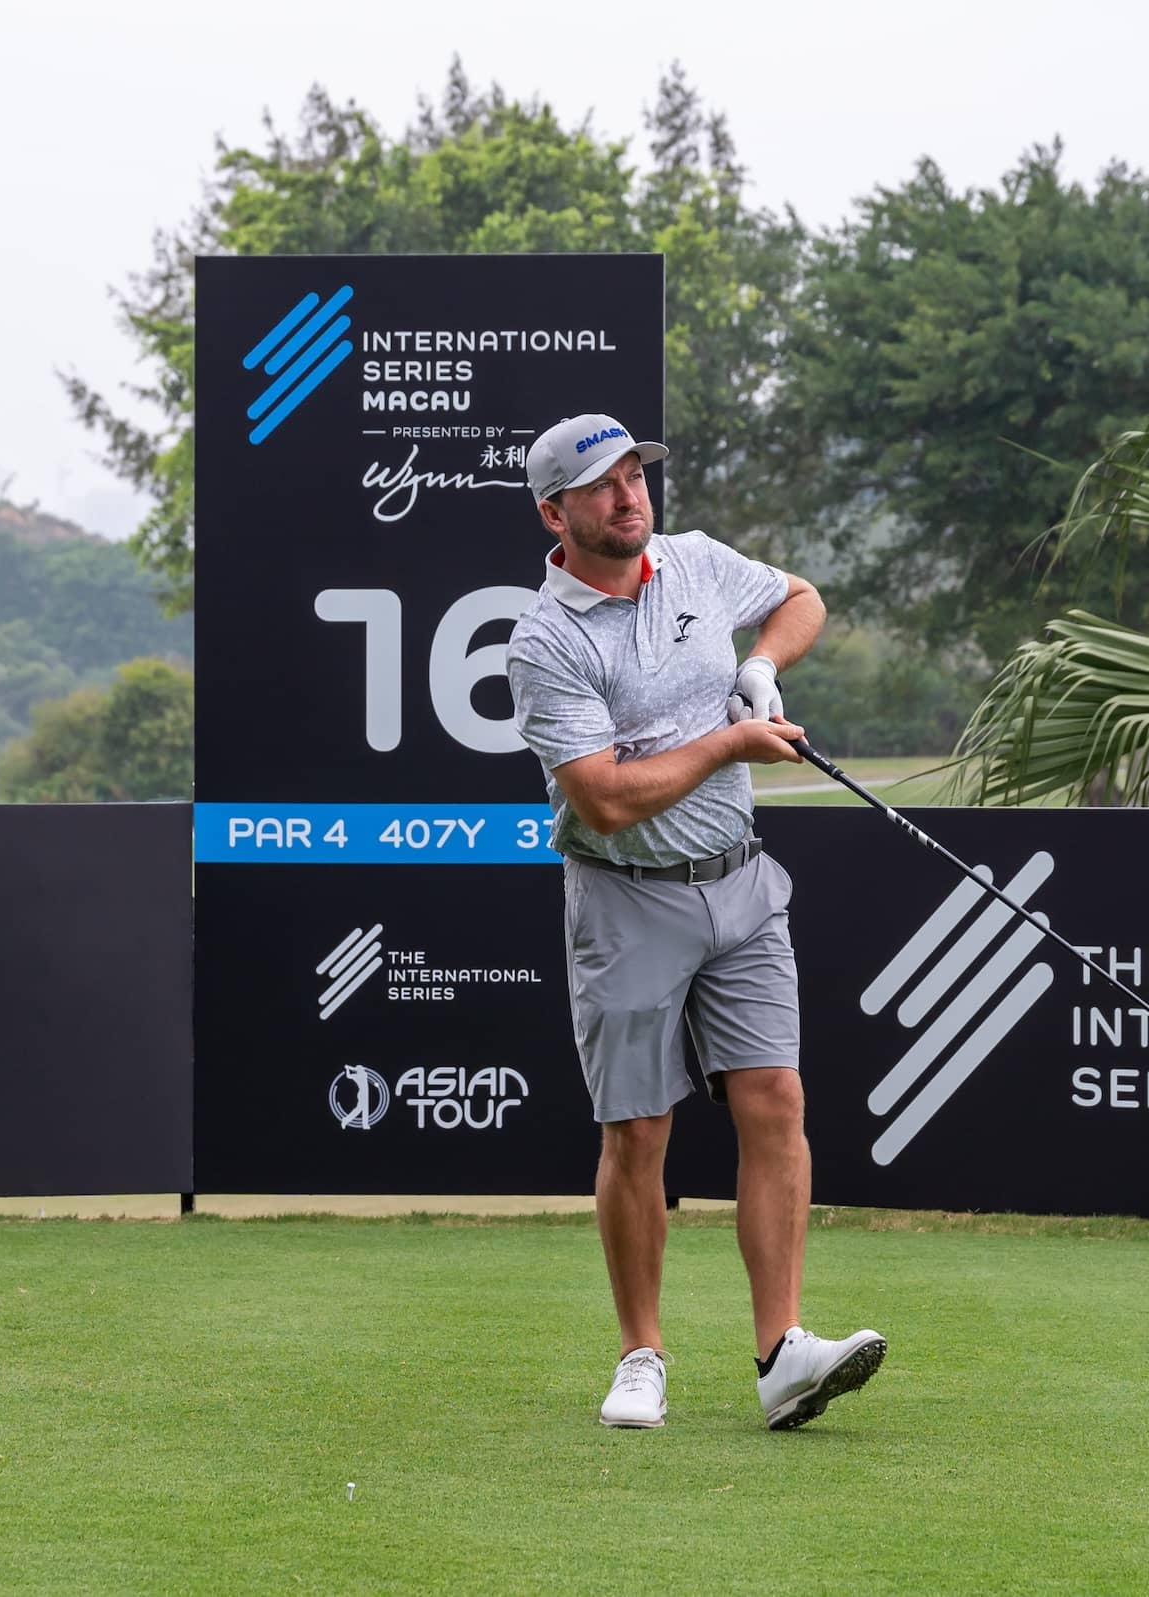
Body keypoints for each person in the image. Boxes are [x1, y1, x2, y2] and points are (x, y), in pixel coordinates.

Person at [503, 411, 887, 1431]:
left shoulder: (695, 564)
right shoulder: (544, 639)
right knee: (639, 1132)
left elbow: (801, 598)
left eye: (635, 475)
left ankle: (782, 1353)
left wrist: (760, 671)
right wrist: (731, 743)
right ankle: (642, 1356)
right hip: (626, 898)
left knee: (776, 1100)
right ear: (558, 512)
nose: (630, 496)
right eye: (602, 485)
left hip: (742, 885)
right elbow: (605, 800)